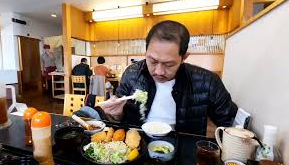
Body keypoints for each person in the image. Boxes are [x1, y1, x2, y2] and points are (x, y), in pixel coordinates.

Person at [102, 20, 238, 135]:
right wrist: (116, 114)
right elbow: (119, 118)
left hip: (183, 149)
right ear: (146, 52)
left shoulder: (207, 81)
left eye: (169, 64)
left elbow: (229, 123)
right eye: (153, 61)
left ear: (184, 57)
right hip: (138, 145)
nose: (159, 71)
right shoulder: (132, 73)